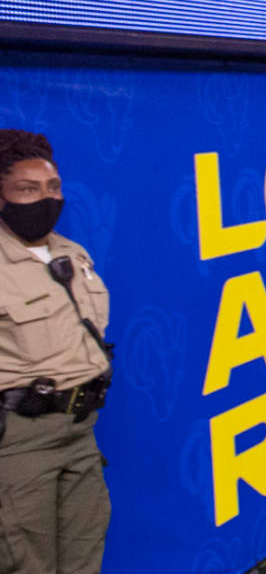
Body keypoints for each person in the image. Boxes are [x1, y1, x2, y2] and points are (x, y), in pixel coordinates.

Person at [0, 130, 113, 572]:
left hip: (80, 431)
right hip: (19, 443)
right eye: (27, 190)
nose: (45, 200)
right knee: (27, 564)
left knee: (85, 556)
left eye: (53, 188)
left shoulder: (72, 253)